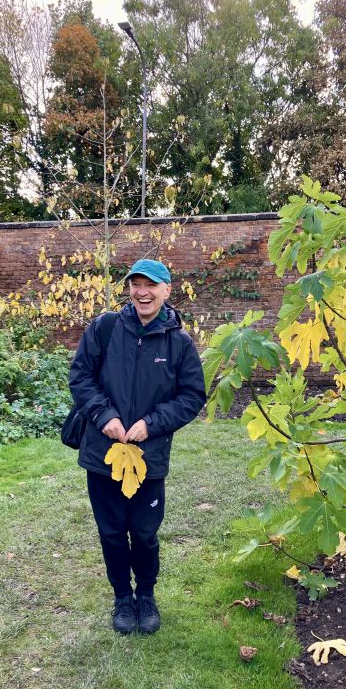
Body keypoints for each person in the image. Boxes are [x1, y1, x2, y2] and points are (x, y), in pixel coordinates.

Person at [69, 259, 206, 635]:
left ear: (167, 290)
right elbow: (80, 377)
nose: (142, 292)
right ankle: (122, 599)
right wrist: (103, 416)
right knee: (111, 532)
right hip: (103, 454)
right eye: (136, 284)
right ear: (128, 289)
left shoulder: (178, 342)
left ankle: (146, 595)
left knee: (144, 533)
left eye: (151, 284)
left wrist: (152, 423)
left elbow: (193, 395)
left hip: (149, 457)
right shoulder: (105, 328)